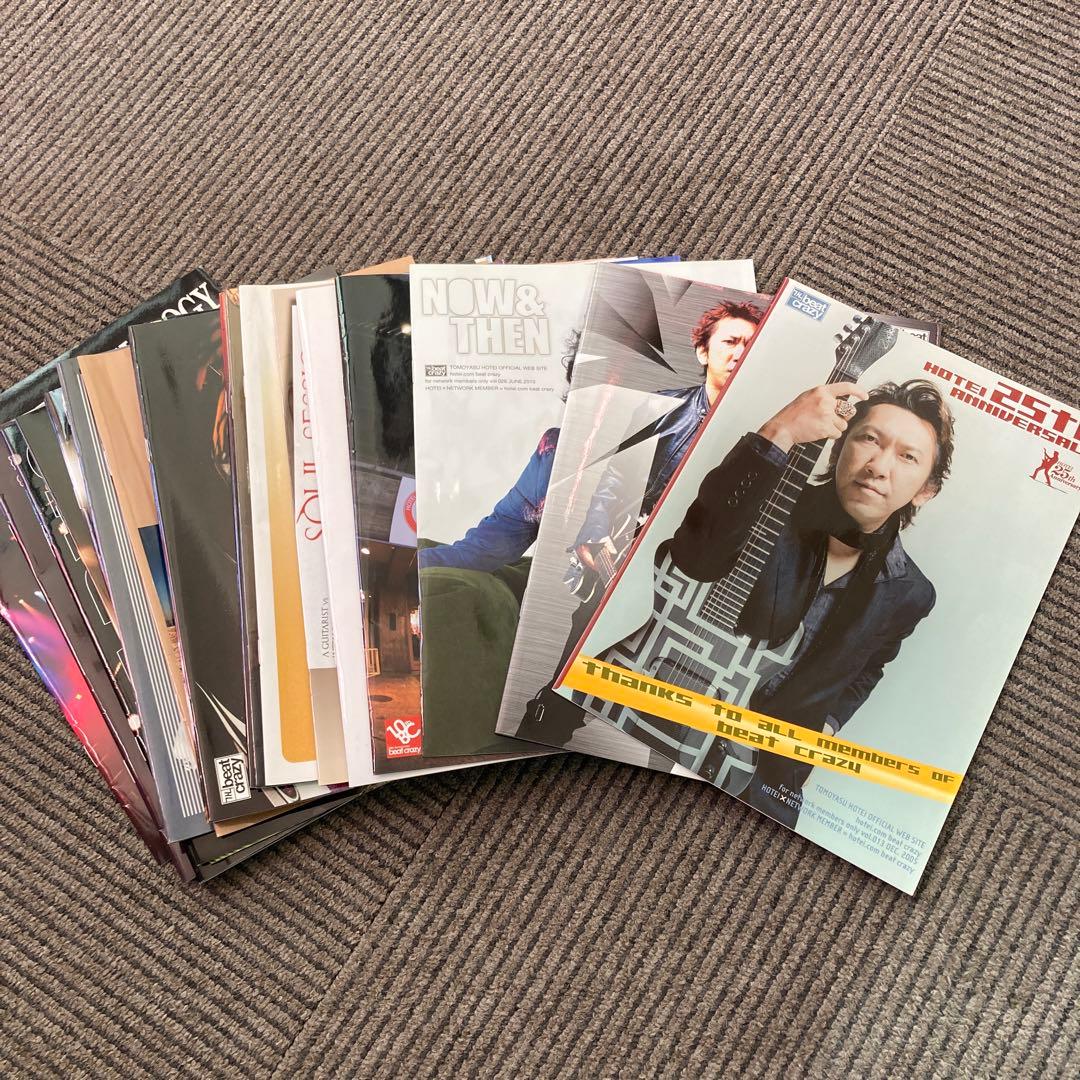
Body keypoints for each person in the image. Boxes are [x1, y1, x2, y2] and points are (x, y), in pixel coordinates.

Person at [659, 378, 955, 826]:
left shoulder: (911, 593)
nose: (878, 466)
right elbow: (692, 553)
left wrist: (827, 726)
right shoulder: (767, 503)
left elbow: (869, 668)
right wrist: (779, 431)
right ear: (839, 448)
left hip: (767, 778)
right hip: (672, 702)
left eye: (907, 457)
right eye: (869, 440)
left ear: (925, 490)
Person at [419, 300, 763, 572]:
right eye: (593, 384)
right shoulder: (556, 451)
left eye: (618, 384)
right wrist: (416, 566)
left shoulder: (719, 430)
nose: (603, 399)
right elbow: (492, 542)